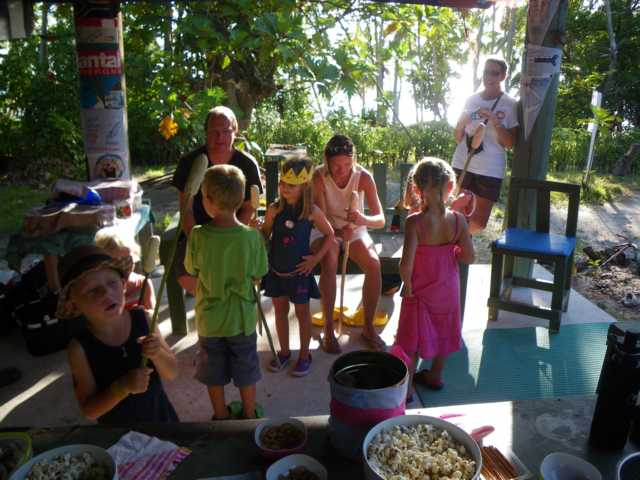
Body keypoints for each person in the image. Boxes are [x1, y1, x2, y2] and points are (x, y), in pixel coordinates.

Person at [185, 164, 268, 420]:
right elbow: (258, 274)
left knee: (214, 372)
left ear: (208, 201)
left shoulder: (198, 235)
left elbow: (191, 268)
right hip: (242, 319)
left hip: (210, 320)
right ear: (241, 200)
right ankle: (249, 412)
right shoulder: (251, 237)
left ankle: (220, 416)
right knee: (246, 368)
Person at [60, 245, 179, 424]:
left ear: (124, 285)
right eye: (92, 291)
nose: (106, 293)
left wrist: (158, 354)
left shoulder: (144, 320)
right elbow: (89, 410)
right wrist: (122, 387)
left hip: (163, 423)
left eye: (112, 283)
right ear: (73, 305)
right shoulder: (79, 349)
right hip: (120, 439)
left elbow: (173, 373)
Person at [394, 158, 474, 396]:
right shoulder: (459, 221)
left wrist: (406, 285)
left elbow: (405, 263)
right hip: (447, 291)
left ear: (416, 190)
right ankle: (435, 375)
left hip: (419, 291)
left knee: (411, 338)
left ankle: (406, 391)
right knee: (445, 329)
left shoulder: (414, 222)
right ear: (450, 187)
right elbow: (469, 257)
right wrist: (455, 248)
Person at [173, 106, 263, 295]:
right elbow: (186, 208)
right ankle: (212, 305)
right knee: (184, 270)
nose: (220, 137)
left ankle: (230, 305)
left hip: (236, 231)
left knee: (249, 270)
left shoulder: (247, 164)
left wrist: (233, 236)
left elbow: (248, 207)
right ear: (206, 132)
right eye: (214, 131)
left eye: (226, 131)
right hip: (198, 232)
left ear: (235, 131)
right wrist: (199, 241)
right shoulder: (190, 162)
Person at [260, 158, 335, 377]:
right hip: (276, 272)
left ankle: (304, 355)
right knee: (280, 312)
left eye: (291, 185)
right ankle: (284, 352)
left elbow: (330, 235)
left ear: (305, 186)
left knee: (302, 314)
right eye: (282, 183)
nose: (284, 188)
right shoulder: (274, 209)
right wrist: (264, 225)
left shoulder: (311, 211)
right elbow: (264, 236)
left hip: (299, 274)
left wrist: (315, 259)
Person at [312, 134, 386, 353]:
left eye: (347, 164)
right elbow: (321, 217)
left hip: (355, 229)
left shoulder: (363, 177)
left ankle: (369, 327)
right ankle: (328, 327)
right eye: (336, 165)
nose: (341, 170)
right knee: (330, 257)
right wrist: (335, 232)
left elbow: (380, 219)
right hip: (324, 228)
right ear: (326, 161)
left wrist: (361, 220)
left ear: (353, 160)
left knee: (373, 264)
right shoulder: (318, 177)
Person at [451, 58, 518, 234]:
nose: (489, 77)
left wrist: (495, 121)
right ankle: (454, 257)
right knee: (456, 215)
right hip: (462, 162)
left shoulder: (510, 104)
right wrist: (468, 119)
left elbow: (510, 143)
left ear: (503, 76)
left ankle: (462, 246)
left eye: (494, 73)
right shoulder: (471, 100)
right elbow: (458, 136)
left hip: (490, 169)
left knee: (478, 223)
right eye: (486, 72)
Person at [95, 227, 155, 312]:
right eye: (115, 263)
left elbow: (153, 317)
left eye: (127, 260)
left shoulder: (143, 283)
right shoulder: (101, 290)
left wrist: (146, 314)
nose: (123, 267)